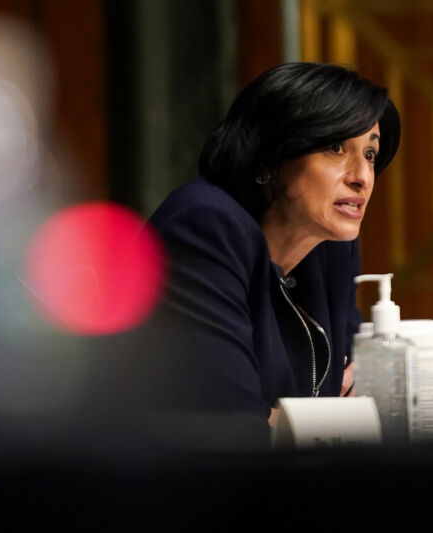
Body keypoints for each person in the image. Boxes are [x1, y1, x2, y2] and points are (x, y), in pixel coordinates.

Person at [116, 62, 399, 454]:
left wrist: (285, 422)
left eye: (370, 153)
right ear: (270, 158)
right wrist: (317, 423)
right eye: (336, 148)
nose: (362, 176)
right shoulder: (206, 226)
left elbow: (359, 407)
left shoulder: (331, 244)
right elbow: (231, 430)